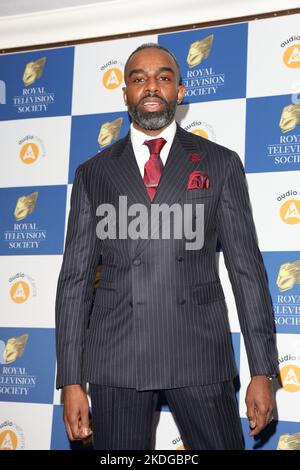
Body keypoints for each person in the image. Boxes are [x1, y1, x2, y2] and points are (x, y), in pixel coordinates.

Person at [55, 43, 278, 450]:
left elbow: (246, 272)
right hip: (116, 360)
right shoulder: (93, 174)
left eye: (163, 77)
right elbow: (73, 282)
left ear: (180, 90)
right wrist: (71, 379)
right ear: (125, 93)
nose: (151, 86)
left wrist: (263, 371)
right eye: (138, 79)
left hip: (199, 355)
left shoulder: (219, 162)